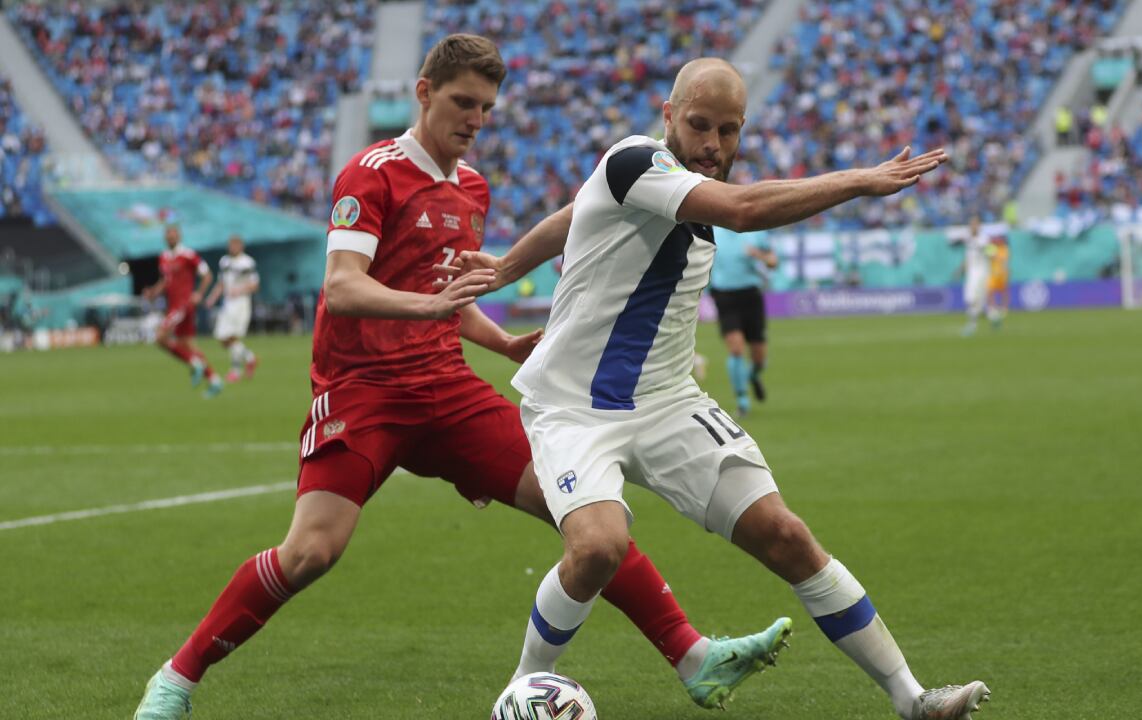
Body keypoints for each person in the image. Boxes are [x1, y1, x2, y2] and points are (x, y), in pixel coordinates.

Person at [133, 36, 786, 720]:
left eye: (487, 108)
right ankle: (176, 679)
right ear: (424, 92)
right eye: (462, 102)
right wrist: (430, 308)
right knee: (310, 553)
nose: (475, 119)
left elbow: (450, 292)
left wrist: (500, 342)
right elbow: (344, 287)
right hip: (364, 391)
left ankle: (693, 657)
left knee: (590, 520)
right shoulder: (371, 173)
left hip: (446, 390)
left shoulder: (471, 187)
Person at [449, 57, 989, 720]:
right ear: (669, 115)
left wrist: (507, 264)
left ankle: (915, 701)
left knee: (786, 536)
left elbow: (570, 214)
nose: (713, 144)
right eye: (699, 125)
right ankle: (524, 690)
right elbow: (744, 209)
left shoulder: (672, 187)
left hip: (670, 405)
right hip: (574, 408)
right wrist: (859, 180)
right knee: (597, 546)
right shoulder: (634, 162)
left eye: (728, 131)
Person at [142, 224, 222, 398]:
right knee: (188, 344)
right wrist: (153, 292)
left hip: (183, 304)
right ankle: (214, 379)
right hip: (173, 305)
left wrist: (199, 293)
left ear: (179, 236)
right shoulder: (164, 257)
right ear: (165, 238)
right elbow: (165, 281)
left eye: (173, 235)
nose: (171, 237)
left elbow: (207, 275)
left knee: (160, 337)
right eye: (168, 235)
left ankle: (194, 363)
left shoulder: (188, 255)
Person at [709, 226, 777, 416]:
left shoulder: (755, 231)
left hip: (751, 295)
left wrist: (758, 255)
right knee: (736, 348)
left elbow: (773, 262)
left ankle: (753, 375)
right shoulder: (712, 230)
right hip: (724, 296)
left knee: (759, 357)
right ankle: (742, 400)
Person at [204, 235, 260, 382]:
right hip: (227, 303)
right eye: (231, 245)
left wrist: (239, 290)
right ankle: (249, 358)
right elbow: (221, 283)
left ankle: (235, 370)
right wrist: (212, 297)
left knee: (230, 336)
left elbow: (254, 285)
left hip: (241, 303)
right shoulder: (225, 262)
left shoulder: (247, 262)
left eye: (235, 245)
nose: (233, 248)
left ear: (241, 246)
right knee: (224, 337)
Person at [960, 215, 991, 337]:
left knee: (974, 298)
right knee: (970, 298)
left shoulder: (983, 239)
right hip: (971, 272)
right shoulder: (969, 239)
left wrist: (984, 249)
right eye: (971, 224)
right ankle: (991, 317)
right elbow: (968, 257)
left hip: (981, 271)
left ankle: (973, 325)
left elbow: (988, 251)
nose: (972, 226)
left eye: (975, 224)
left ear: (979, 226)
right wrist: (961, 269)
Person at [986, 236, 1010, 329]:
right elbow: (988, 255)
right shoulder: (993, 248)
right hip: (993, 273)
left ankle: (1004, 308)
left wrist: (994, 255)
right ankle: (992, 308)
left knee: (1004, 291)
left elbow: (1003, 259)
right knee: (990, 290)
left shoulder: (1005, 249)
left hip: (1002, 273)